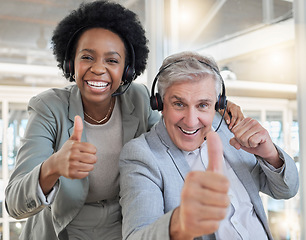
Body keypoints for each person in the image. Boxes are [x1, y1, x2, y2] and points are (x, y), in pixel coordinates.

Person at [4, 1, 243, 240]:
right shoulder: (48, 107)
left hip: (121, 229)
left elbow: (173, 132)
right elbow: (14, 204)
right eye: (87, 57)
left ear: (127, 70)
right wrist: (53, 166)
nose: (98, 69)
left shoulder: (138, 99)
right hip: (61, 231)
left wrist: (213, 107)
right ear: (71, 63)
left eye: (112, 60)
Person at [119, 51, 299, 240]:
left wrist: (270, 155)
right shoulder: (141, 155)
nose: (190, 121)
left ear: (217, 104)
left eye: (203, 105)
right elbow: (136, 236)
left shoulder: (229, 129)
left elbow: (287, 190)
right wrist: (178, 224)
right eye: (179, 104)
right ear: (160, 104)